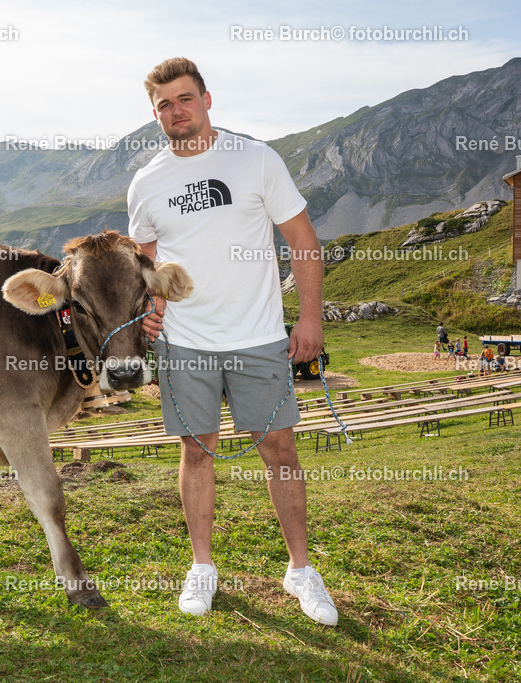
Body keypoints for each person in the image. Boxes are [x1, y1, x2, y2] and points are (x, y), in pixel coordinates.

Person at [128, 57, 337, 626]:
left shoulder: (256, 159)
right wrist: (151, 309)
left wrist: (309, 319)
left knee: (281, 451)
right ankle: (202, 567)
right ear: (155, 115)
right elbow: (144, 259)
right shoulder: (146, 183)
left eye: (185, 98)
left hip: (260, 337)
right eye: (164, 105)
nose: (177, 111)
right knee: (195, 451)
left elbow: (302, 239)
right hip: (185, 342)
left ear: (207, 99)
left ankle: (300, 571)